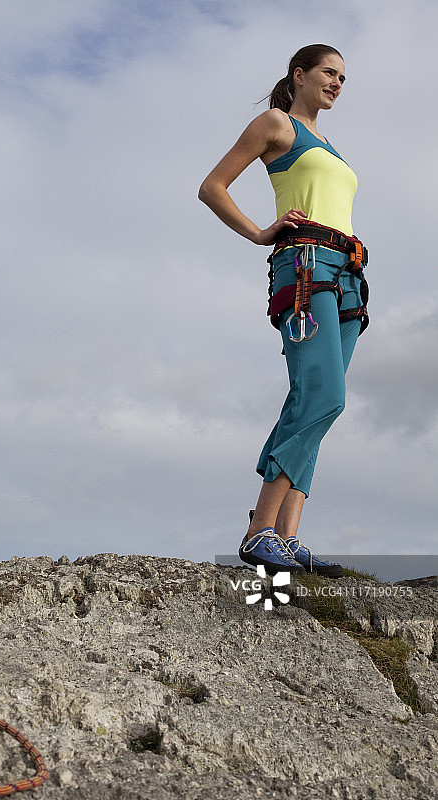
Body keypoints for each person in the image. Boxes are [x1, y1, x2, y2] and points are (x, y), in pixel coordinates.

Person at [198, 44, 369, 578]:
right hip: (305, 268)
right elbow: (212, 187)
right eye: (328, 72)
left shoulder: (332, 147)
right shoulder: (277, 125)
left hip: (346, 277)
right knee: (321, 394)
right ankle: (259, 533)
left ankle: (287, 538)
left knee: (323, 405)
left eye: (343, 77)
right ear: (299, 75)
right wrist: (258, 232)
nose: (337, 82)